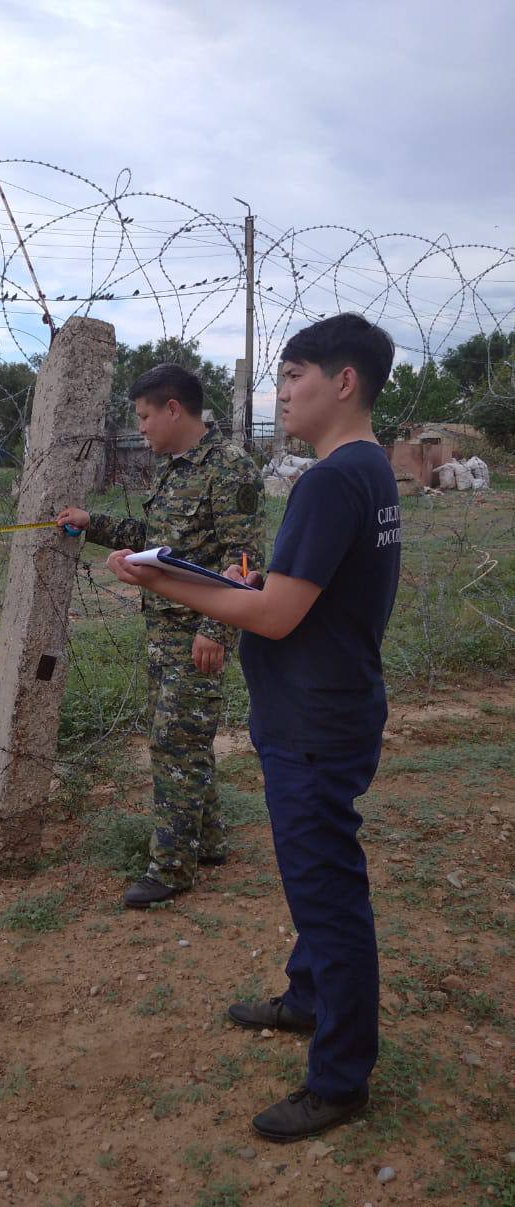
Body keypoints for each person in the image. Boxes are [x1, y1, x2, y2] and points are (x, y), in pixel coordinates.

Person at [107, 314, 400, 1142]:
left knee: (326, 891)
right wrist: (236, 581)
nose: (279, 394)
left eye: (291, 378)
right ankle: (308, 997)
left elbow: (271, 617)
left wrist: (162, 581)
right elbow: (298, 589)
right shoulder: (368, 471)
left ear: (342, 383)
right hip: (331, 701)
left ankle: (340, 1076)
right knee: (314, 874)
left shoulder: (328, 480)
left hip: (313, 714)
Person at [57, 364, 264, 907]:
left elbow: (244, 561)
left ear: (173, 408)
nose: (142, 428)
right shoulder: (173, 470)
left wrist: (215, 627)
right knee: (185, 742)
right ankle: (210, 840)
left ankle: (171, 868)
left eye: (146, 417)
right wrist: (91, 522)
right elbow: (156, 540)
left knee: (175, 745)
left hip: (198, 634)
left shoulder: (230, 468)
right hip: (164, 632)